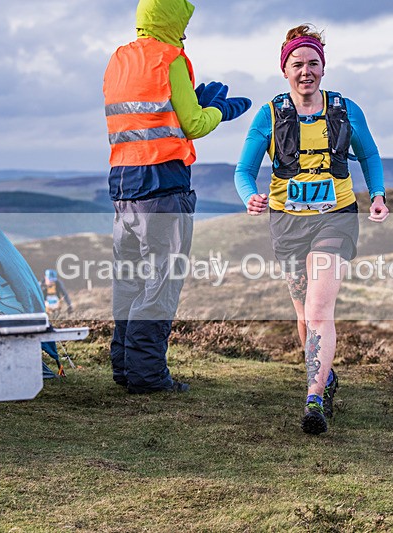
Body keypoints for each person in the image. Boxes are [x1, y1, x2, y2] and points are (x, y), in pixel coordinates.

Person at [234, 24, 389, 434]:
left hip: (335, 217)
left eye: (313, 63)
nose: (306, 71)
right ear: (284, 69)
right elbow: (243, 170)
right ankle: (326, 376)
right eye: (298, 64)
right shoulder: (270, 115)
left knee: (320, 311)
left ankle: (314, 399)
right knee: (303, 315)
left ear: (324, 67)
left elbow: (369, 155)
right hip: (287, 222)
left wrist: (377, 194)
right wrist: (250, 196)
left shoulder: (346, 109)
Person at [103, 0, 251, 394]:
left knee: (129, 281)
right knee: (160, 283)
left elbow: (145, 117)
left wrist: (186, 103)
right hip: (163, 187)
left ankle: (125, 367)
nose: (184, 34)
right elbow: (194, 124)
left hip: (123, 186)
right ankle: (148, 376)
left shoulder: (119, 59)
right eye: (182, 24)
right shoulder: (171, 59)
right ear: (170, 21)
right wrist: (217, 110)